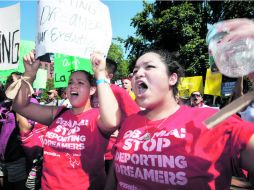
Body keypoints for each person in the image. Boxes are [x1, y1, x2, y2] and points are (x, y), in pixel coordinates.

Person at [104, 49, 254, 190]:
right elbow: (113, 178)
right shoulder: (129, 123)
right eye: (135, 71)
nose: (137, 74)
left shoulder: (212, 120)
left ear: (172, 78)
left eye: (149, 67)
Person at [10, 50, 121, 190]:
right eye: (70, 82)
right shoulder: (57, 112)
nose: (73, 86)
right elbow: (20, 106)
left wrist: (99, 74)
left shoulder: (98, 117)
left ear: (92, 90)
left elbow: (112, 122)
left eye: (80, 83)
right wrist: (29, 74)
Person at [91, 58, 140, 174]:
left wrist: (120, 131)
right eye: (94, 71)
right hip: (91, 150)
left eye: (99, 71)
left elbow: (135, 119)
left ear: (110, 75)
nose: (95, 74)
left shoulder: (118, 92)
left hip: (111, 153)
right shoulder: (91, 92)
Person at [0, 72, 31, 190]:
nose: (11, 84)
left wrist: (17, 104)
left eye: (15, 82)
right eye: (9, 81)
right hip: (2, 161)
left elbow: (26, 128)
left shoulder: (31, 103)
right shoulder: (3, 105)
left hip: (18, 160)